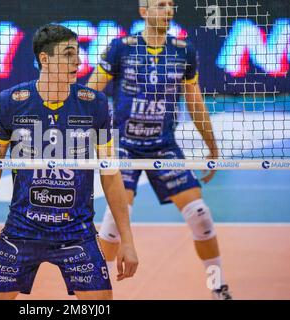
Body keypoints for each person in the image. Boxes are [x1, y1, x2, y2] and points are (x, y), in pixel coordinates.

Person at [0, 24, 138, 300]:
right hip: (21, 230)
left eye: (77, 53)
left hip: (76, 231)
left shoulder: (96, 104)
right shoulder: (10, 102)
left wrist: (127, 239)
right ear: (44, 59)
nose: (78, 61)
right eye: (68, 54)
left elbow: (110, 172)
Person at [86, 0, 232, 299]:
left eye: (170, 5)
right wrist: (84, 138)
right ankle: (95, 287)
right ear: (144, 11)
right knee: (115, 220)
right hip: (124, 146)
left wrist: (212, 149)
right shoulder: (121, 47)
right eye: (159, 5)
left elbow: (195, 102)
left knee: (200, 216)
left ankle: (218, 287)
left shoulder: (183, 51)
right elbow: (91, 94)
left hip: (163, 146)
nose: (167, 10)